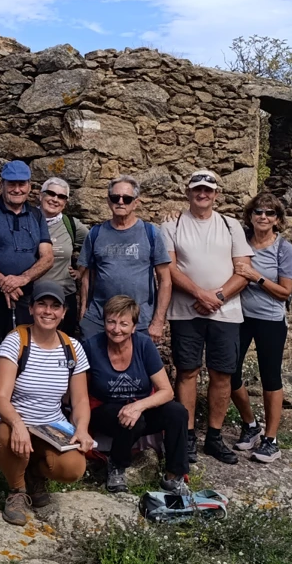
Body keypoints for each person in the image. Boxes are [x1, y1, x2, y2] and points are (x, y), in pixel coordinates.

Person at [160, 169, 253, 466]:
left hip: (226, 313)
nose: (203, 194)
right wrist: (199, 294)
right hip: (185, 311)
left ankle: (214, 437)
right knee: (187, 370)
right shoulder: (172, 224)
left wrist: (218, 297)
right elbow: (169, 267)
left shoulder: (230, 225)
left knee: (222, 374)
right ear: (188, 192)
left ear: (216, 194)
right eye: (197, 189)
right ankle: (187, 436)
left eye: (208, 190)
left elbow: (244, 270)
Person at [0, 281, 94, 525]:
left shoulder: (72, 348)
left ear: (64, 312)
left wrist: (82, 429)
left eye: (55, 306)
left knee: (74, 467)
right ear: (31, 309)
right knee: (6, 437)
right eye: (42, 304)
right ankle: (17, 491)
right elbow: (0, 397)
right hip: (7, 424)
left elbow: (80, 399)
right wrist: (17, 424)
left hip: (50, 429)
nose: (48, 311)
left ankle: (33, 474)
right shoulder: (16, 342)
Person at [0, 161, 54, 405]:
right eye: (11, 184)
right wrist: (2, 281)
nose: (17, 189)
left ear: (29, 186)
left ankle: (17, 410)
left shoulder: (36, 215)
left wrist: (22, 279)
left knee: (22, 352)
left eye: (21, 184)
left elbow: (47, 257)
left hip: (24, 295)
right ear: (2, 184)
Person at [84, 295, 189, 493]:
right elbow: (81, 393)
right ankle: (116, 465)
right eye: (111, 322)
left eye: (124, 324)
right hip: (104, 410)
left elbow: (167, 391)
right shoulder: (91, 347)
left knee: (177, 412)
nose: (116, 329)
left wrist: (138, 406)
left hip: (138, 407)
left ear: (133, 327)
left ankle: (174, 476)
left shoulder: (144, 345)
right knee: (132, 418)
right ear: (104, 323)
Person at [229, 192, 292, 463]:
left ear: (277, 219)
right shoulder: (241, 240)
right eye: (258, 212)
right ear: (250, 216)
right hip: (240, 317)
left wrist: (256, 277)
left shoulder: (283, 249)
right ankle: (250, 424)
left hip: (270, 319)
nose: (264, 217)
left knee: (270, 377)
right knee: (228, 371)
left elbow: (285, 292)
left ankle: (271, 440)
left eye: (270, 213)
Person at [78, 176, 170, 341]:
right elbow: (87, 275)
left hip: (139, 321)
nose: (120, 202)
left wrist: (158, 320)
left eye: (127, 199)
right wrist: (84, 310)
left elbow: (165, 280)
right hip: (98, 319)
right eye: (115, 198)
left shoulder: (151, 233)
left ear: (136, 203)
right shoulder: (95, 233)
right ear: (108, 201)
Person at [38, 178, 88, 336]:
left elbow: (94, 245)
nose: (55, 199)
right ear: (40, 195)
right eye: (51, 193)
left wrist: (81, 271)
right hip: (33, 297)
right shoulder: (27, 220)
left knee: (63, 342)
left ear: (65, 203)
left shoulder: (71, 225)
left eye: (61, 196)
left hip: (64, 296)